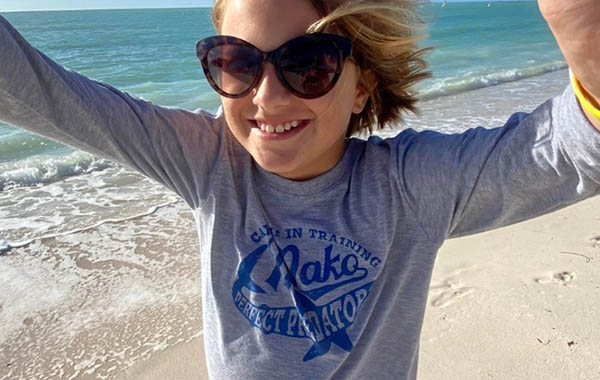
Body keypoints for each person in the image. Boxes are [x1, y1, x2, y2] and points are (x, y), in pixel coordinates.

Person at [1, 0, 599, 379]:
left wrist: (588, 45)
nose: (266, 97)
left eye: (308, 65)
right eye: (236, 62)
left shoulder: (410, 185)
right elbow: (40, 93)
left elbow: (569, 150)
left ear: (362, 88)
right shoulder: (209, 162)